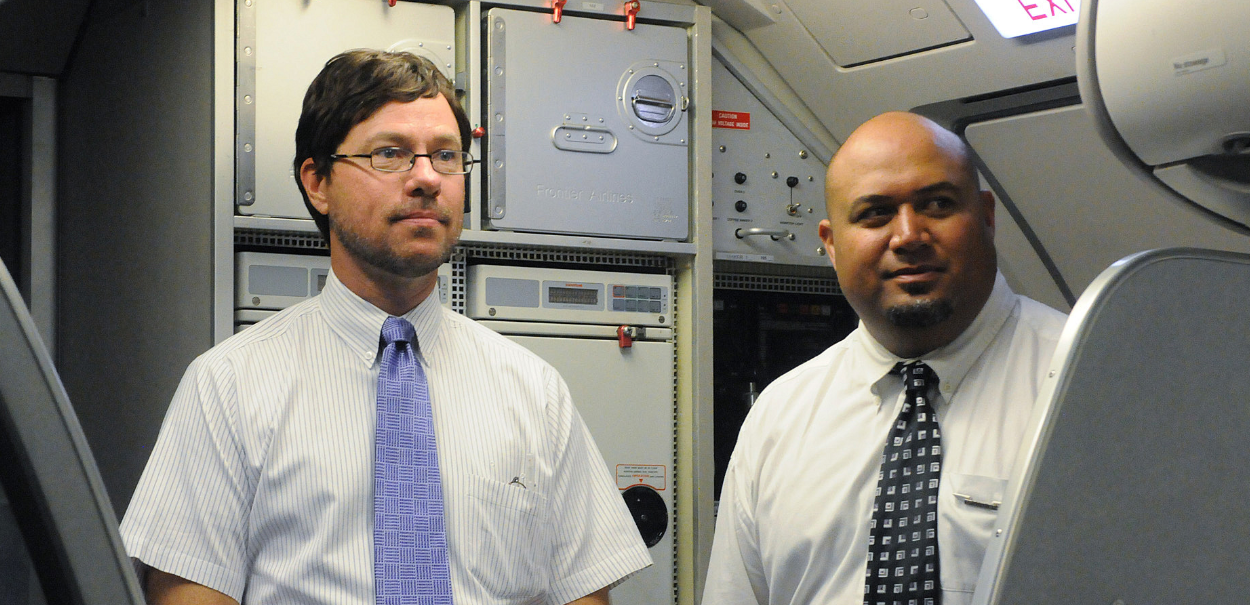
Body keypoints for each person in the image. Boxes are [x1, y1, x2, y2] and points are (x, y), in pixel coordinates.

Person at [120, 49, 650, 605]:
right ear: (318, 182)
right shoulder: (227, 386)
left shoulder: (535, 393)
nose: (426, 178)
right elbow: (189, 594)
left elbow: (582, 591)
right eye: (390, 153)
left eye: (446, 155)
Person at [702, 111, 1067, 605]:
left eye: (937, 204)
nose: (908, 235)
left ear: (986, 216)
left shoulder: (1085, 382)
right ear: (831, 245)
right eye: (875, 213)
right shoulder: (781, 416)